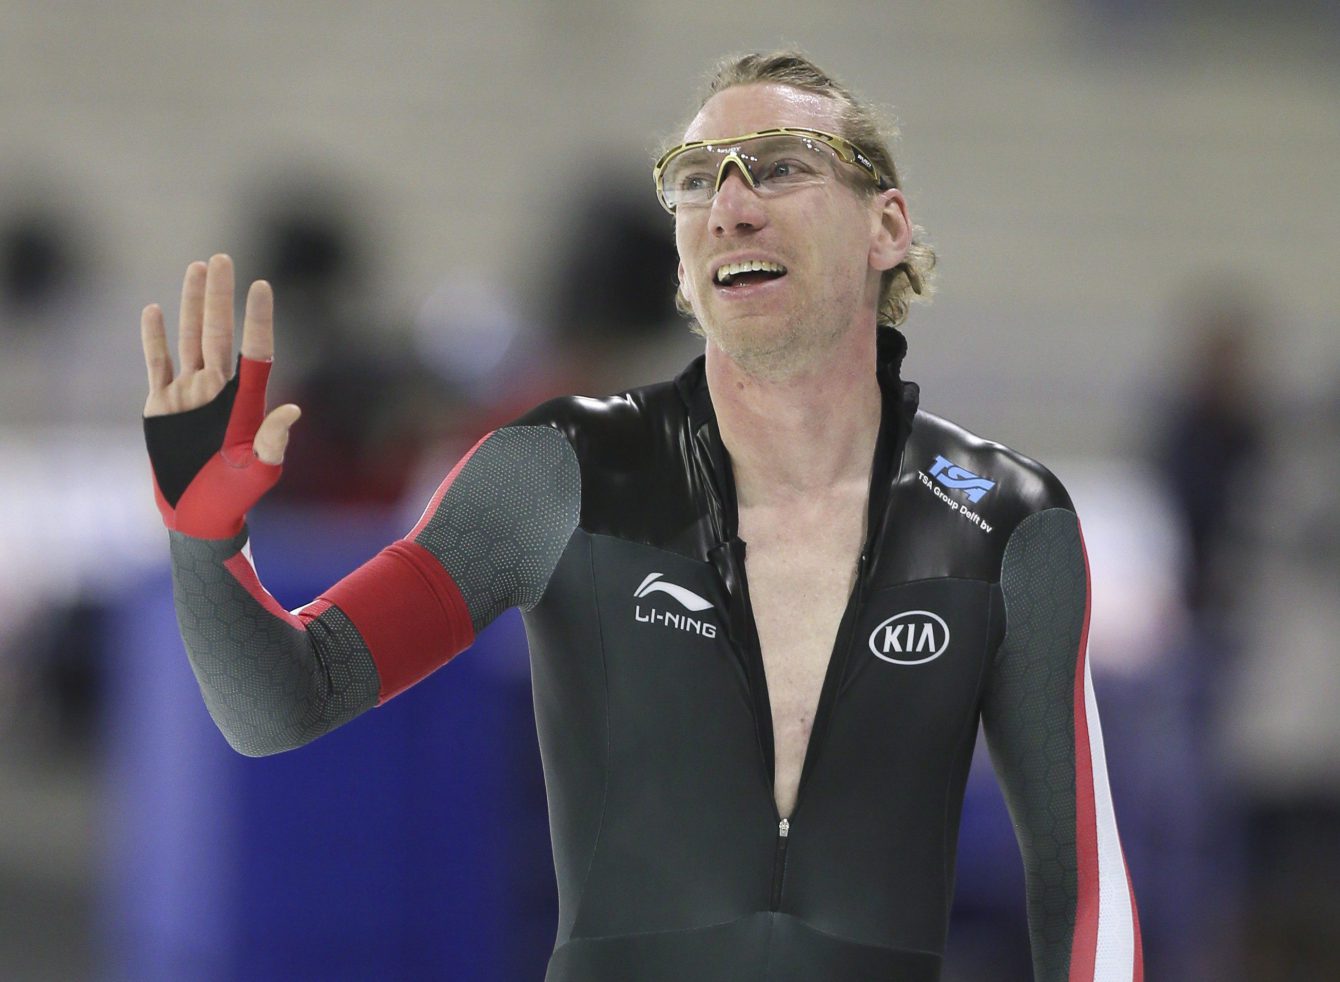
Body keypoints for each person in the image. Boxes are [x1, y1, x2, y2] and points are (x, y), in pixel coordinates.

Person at [140, 51, 1142, 982]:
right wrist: (202, 539)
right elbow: (281, 703)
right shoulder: (556, 472)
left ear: (885, 226)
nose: (730, 204)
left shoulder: (1004, 518)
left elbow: (1082, 877)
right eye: (696, 179)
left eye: (782, 167)